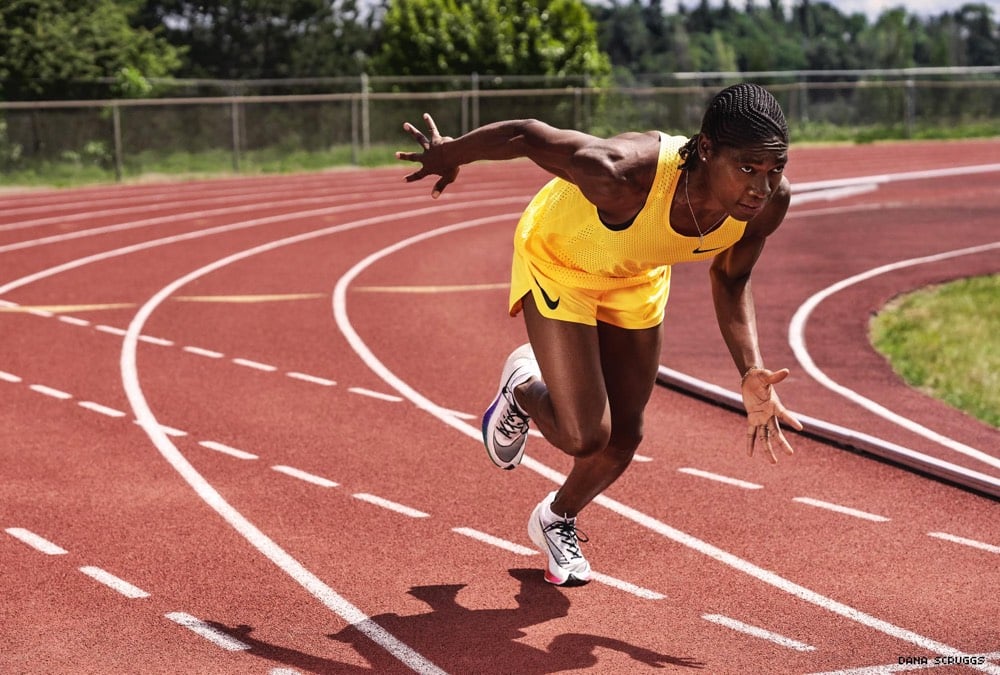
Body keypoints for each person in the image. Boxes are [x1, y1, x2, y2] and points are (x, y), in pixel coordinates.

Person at [397, 82, 804, 587]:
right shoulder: (620, 174)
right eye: (747, 169)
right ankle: (523, 387)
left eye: (774, 170)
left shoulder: (768, 204)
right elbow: (526, 135)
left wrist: (749, 369)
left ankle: (555, 517)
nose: (759, 189)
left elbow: (730, 277)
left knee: (625, 435)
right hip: (564, 260)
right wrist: (449, 154)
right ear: (705, 149)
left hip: (637, 272)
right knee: (585, 435)